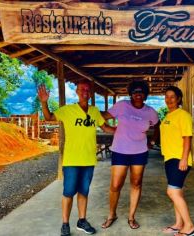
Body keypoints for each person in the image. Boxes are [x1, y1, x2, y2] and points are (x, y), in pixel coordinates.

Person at [37, 81, 115, 236]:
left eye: (87, 89)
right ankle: (65, 224)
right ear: (77, 92)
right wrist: (44, 103)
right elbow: (48, 117)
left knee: (84, 192)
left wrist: (127, 130)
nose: (85, 91)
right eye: (82, 89)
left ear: (90, 93)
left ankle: (82, 220)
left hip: (88, 160)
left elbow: (106, 128)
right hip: (72, 160)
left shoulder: (94, 111)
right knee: (69, 192)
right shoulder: (68, 110)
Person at [101, 81, 159, 230]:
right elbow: (103, 116)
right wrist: (106, 128)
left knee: (136, 184)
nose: (137, 94)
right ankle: (111, 215)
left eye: (141, 92)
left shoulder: (150, 111)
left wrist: (152, 141)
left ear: (145, 94)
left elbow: (158, 125)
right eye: (135, 92)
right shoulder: (122, 105)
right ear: (131, 94)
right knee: (115, 185)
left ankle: (131, 217)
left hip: (139, 152)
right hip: (120, 150)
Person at [160, 86, 194, 236]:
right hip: (169, 158)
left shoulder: (183, 115)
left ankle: (189, 226)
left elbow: (187, 138)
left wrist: (183, 159)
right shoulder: (169, 116)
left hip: (178, 159)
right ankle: (178, 224)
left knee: (172, 192)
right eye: (166, 97)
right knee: (178, 192)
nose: (169, 99)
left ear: (179, 99)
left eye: (172, 97)